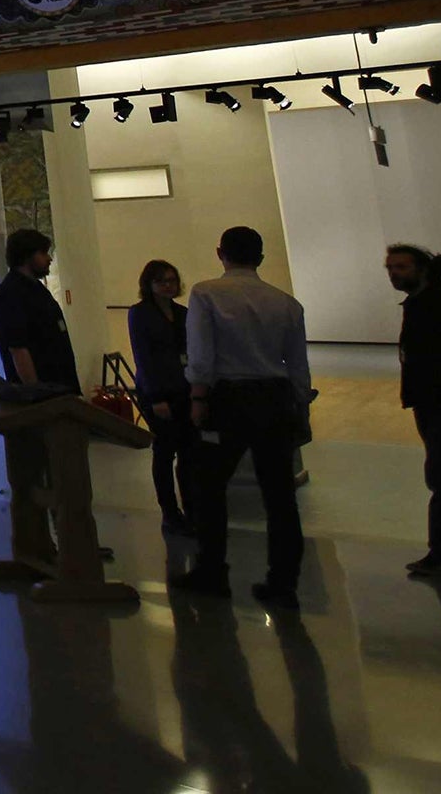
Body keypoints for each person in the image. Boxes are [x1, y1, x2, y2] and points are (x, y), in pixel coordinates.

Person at [172, 226, 310, 609]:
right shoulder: (286, 303)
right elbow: (298, 366)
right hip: (275, 400)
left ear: (221, 253)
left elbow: (201, 354)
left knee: (210, 489)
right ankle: (284, 583)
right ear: (261, 258)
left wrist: (198, 396)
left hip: (228, 399)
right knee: (280, 496)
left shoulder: (206, 293)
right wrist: (300, 408)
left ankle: (212, 571)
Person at [389, 244, 441, 577]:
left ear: (421, 268)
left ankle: (440, 551)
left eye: (400, 267)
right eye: (390, 268)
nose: (394, 274)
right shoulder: (423, 303)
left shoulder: (433, 306)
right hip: (430, 401)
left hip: (439, 402)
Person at [127, 258, 194, 534]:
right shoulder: (140, 314)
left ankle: (192, 509)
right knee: (165, 451)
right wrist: (156, 398)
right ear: (149, 284)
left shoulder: (183, 313)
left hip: (184, 388)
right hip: (157, 391)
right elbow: (143, 357)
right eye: (161, 281)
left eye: (171, 280)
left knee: (189, 452)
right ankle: (170, 512)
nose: (168, 286)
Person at [0, 227, 78, 391]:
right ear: (26, 256)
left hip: (59, 391)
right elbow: (18, 348)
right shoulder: (9, 296)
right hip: (44, 399)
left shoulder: (37, 289)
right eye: (43, 253)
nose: (49, 258)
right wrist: (36, 393)